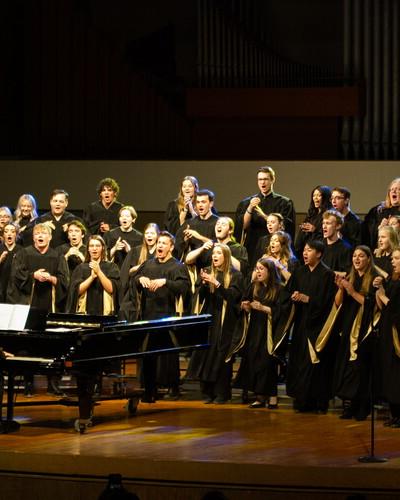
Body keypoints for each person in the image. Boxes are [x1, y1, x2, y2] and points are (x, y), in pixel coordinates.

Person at [7, 223, 69, 395]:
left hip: (50, 305)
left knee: (52, 346)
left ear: (50, 237)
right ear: (33, 237)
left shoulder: (57, 256)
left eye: (44, 233)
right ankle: (28, 382)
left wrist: (52, 279)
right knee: (29, 345)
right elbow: (16, 276)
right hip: (29, 307)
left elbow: (65, 281)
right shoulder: (24, 254)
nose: (40, 236)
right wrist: (33, 275)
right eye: (37, 234)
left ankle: (53, 383)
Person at [135, 231, 191, 401]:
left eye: (164, 243)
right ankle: (149, 389)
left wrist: (166, 282)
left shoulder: (177, 266)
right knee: (148, 354)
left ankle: (172, 386)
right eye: (158, 242)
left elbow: (184, 287)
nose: (159, 246)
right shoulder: (148, 264)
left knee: (168, 353)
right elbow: (134, 279)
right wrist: (140, 279)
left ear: (171, 247)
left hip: (168, 315)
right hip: (149, 314)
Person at [232, 258, 292, 409]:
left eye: (261, 269)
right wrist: (246, 307)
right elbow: (244, 304)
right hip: (255, 330)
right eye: (256, 268)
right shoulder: (254, 287)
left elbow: (284, 312)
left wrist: (264, 308)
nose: (257, 272)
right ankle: (259, 396)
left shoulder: (279, 289)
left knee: (267, 364)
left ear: (269, 271)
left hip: (270, 332)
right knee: (254, 362)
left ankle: (272, 396)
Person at [188, 243, 244, 404]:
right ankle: (207, 392)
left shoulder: (235, 275)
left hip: (225, 321)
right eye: (214, 253)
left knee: (221, 357)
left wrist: (217, 284)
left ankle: (222, 393)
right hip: (210, 318)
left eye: (218, 253)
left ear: (225, 256)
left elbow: (233, 297)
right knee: (206, 355)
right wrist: (205, 285)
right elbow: (201, 297)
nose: (215, 256)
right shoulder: (207, 271)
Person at [286, 240, 337, 413]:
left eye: (309, 250)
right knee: (301, 362)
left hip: (319, 327)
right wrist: (294, 296)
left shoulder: (327, 275)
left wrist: (309, 299)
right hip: (301, 324)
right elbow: (287, 294)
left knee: (318, 365)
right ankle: (302, 401)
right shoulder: (299, 272)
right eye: (304, 250)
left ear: (319, 254)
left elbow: (330, 303)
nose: (305, 253)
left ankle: (319, 403)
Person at [333, 246, 382, 421]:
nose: (357, 259)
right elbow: (338, 304)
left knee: (361, 368)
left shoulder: (375, 278)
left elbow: (371, 305)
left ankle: (362, 406)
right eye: (354, 256)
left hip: (364, 329)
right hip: (348, 326)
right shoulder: (350, 276)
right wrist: (341, 288)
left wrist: (352, 291)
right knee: (347, 367)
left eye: (361, 256)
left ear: (369, 259)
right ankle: (349, 406)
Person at [234, 166, 295, 265]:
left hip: (275, 245)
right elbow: (242, 226)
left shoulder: (284, 202)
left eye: (266, 179)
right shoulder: (246, 203)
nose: (262, 182)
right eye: (260, 179)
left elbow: (285, 227)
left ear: (272, 180)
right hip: (253, 246)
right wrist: (250, 207)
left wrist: (264, 216)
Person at [376, 247, 400, 427]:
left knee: (396, 373)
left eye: (397, 258)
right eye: (392, 258)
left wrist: (384, 297)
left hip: (397, 332)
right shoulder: (392, 280)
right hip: (386, 329)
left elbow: (395, 309)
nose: (392, 261)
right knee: (388, 372)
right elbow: (383, 305)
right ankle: (394, 414)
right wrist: (380, 289)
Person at [67, 235, 120, 315]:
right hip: (84, 313)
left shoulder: (111, 267)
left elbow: (112, 289)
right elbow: (76, 291)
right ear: (88, 249)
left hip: (106, 314)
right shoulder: (81, 268)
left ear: (102, 248)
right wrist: (91, 278)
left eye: (97, 246)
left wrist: (99, 272)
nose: (94, 248)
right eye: (92, 246)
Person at [119, 223, 160, 321]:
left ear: (157, 235)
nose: (149, 236)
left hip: (154, 291)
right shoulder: (136, 251)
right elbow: (128, 271)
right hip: (136, 292)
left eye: (152, 233)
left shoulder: (160, 252)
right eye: (147, 233)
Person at [174, 189, 219, 261]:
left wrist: (198, 236)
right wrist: (185, 240)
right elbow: (177, 245)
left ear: (211, 204)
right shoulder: (190, 223)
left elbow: (220, 245)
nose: (200, 205)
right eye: (198, 202)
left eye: (203, 202)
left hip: (211, 264)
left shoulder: (218, 223)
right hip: (193, 266)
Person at [294, 185, 332, 259]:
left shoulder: (329, 215)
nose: (316, 198)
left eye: (319, 195)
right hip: (306, 250)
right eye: (314, 195)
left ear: (325, 197)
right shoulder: (312, 214)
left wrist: (314, 230)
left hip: (318, 252)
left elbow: (327, 236)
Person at [363, 177, 400, 249]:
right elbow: (367, 233)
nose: (393, 191)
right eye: (391, 189)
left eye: (398, 189)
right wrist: (379, 229)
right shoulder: (378, 210)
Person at [321, 210, 352, 275]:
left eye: (328, 223)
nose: (324, 226)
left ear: (338, 226)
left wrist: (327, 273)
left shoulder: (346, 248)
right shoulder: (319, 245)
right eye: (323, 223)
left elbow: (347, 274)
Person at [0, 223, 23, 302]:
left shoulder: (21, 251)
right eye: (6, 231)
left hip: (15, 290)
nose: (9, 233)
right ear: (3, 235)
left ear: (16, 234)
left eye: (12, 231)